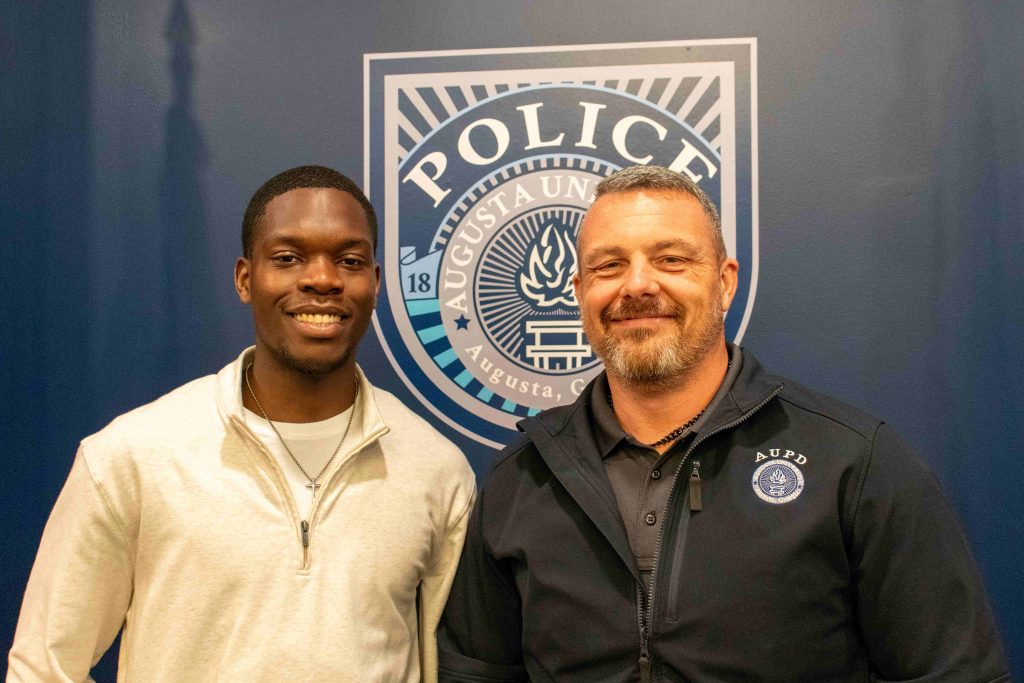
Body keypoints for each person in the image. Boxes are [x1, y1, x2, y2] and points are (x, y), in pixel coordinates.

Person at [437, 165, 1008, 682]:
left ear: (726, 281)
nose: (637, 285)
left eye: (671, 260)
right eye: (609, 265)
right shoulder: (522, 479)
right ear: (582, 292)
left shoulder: (855, 464)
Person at [8, 165, 476, 682]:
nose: (322, 279)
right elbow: (43, 667)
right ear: (245, 280)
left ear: (375, 282)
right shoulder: (133, 456)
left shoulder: (436, 469)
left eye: (349, 260)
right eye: (287, 258)